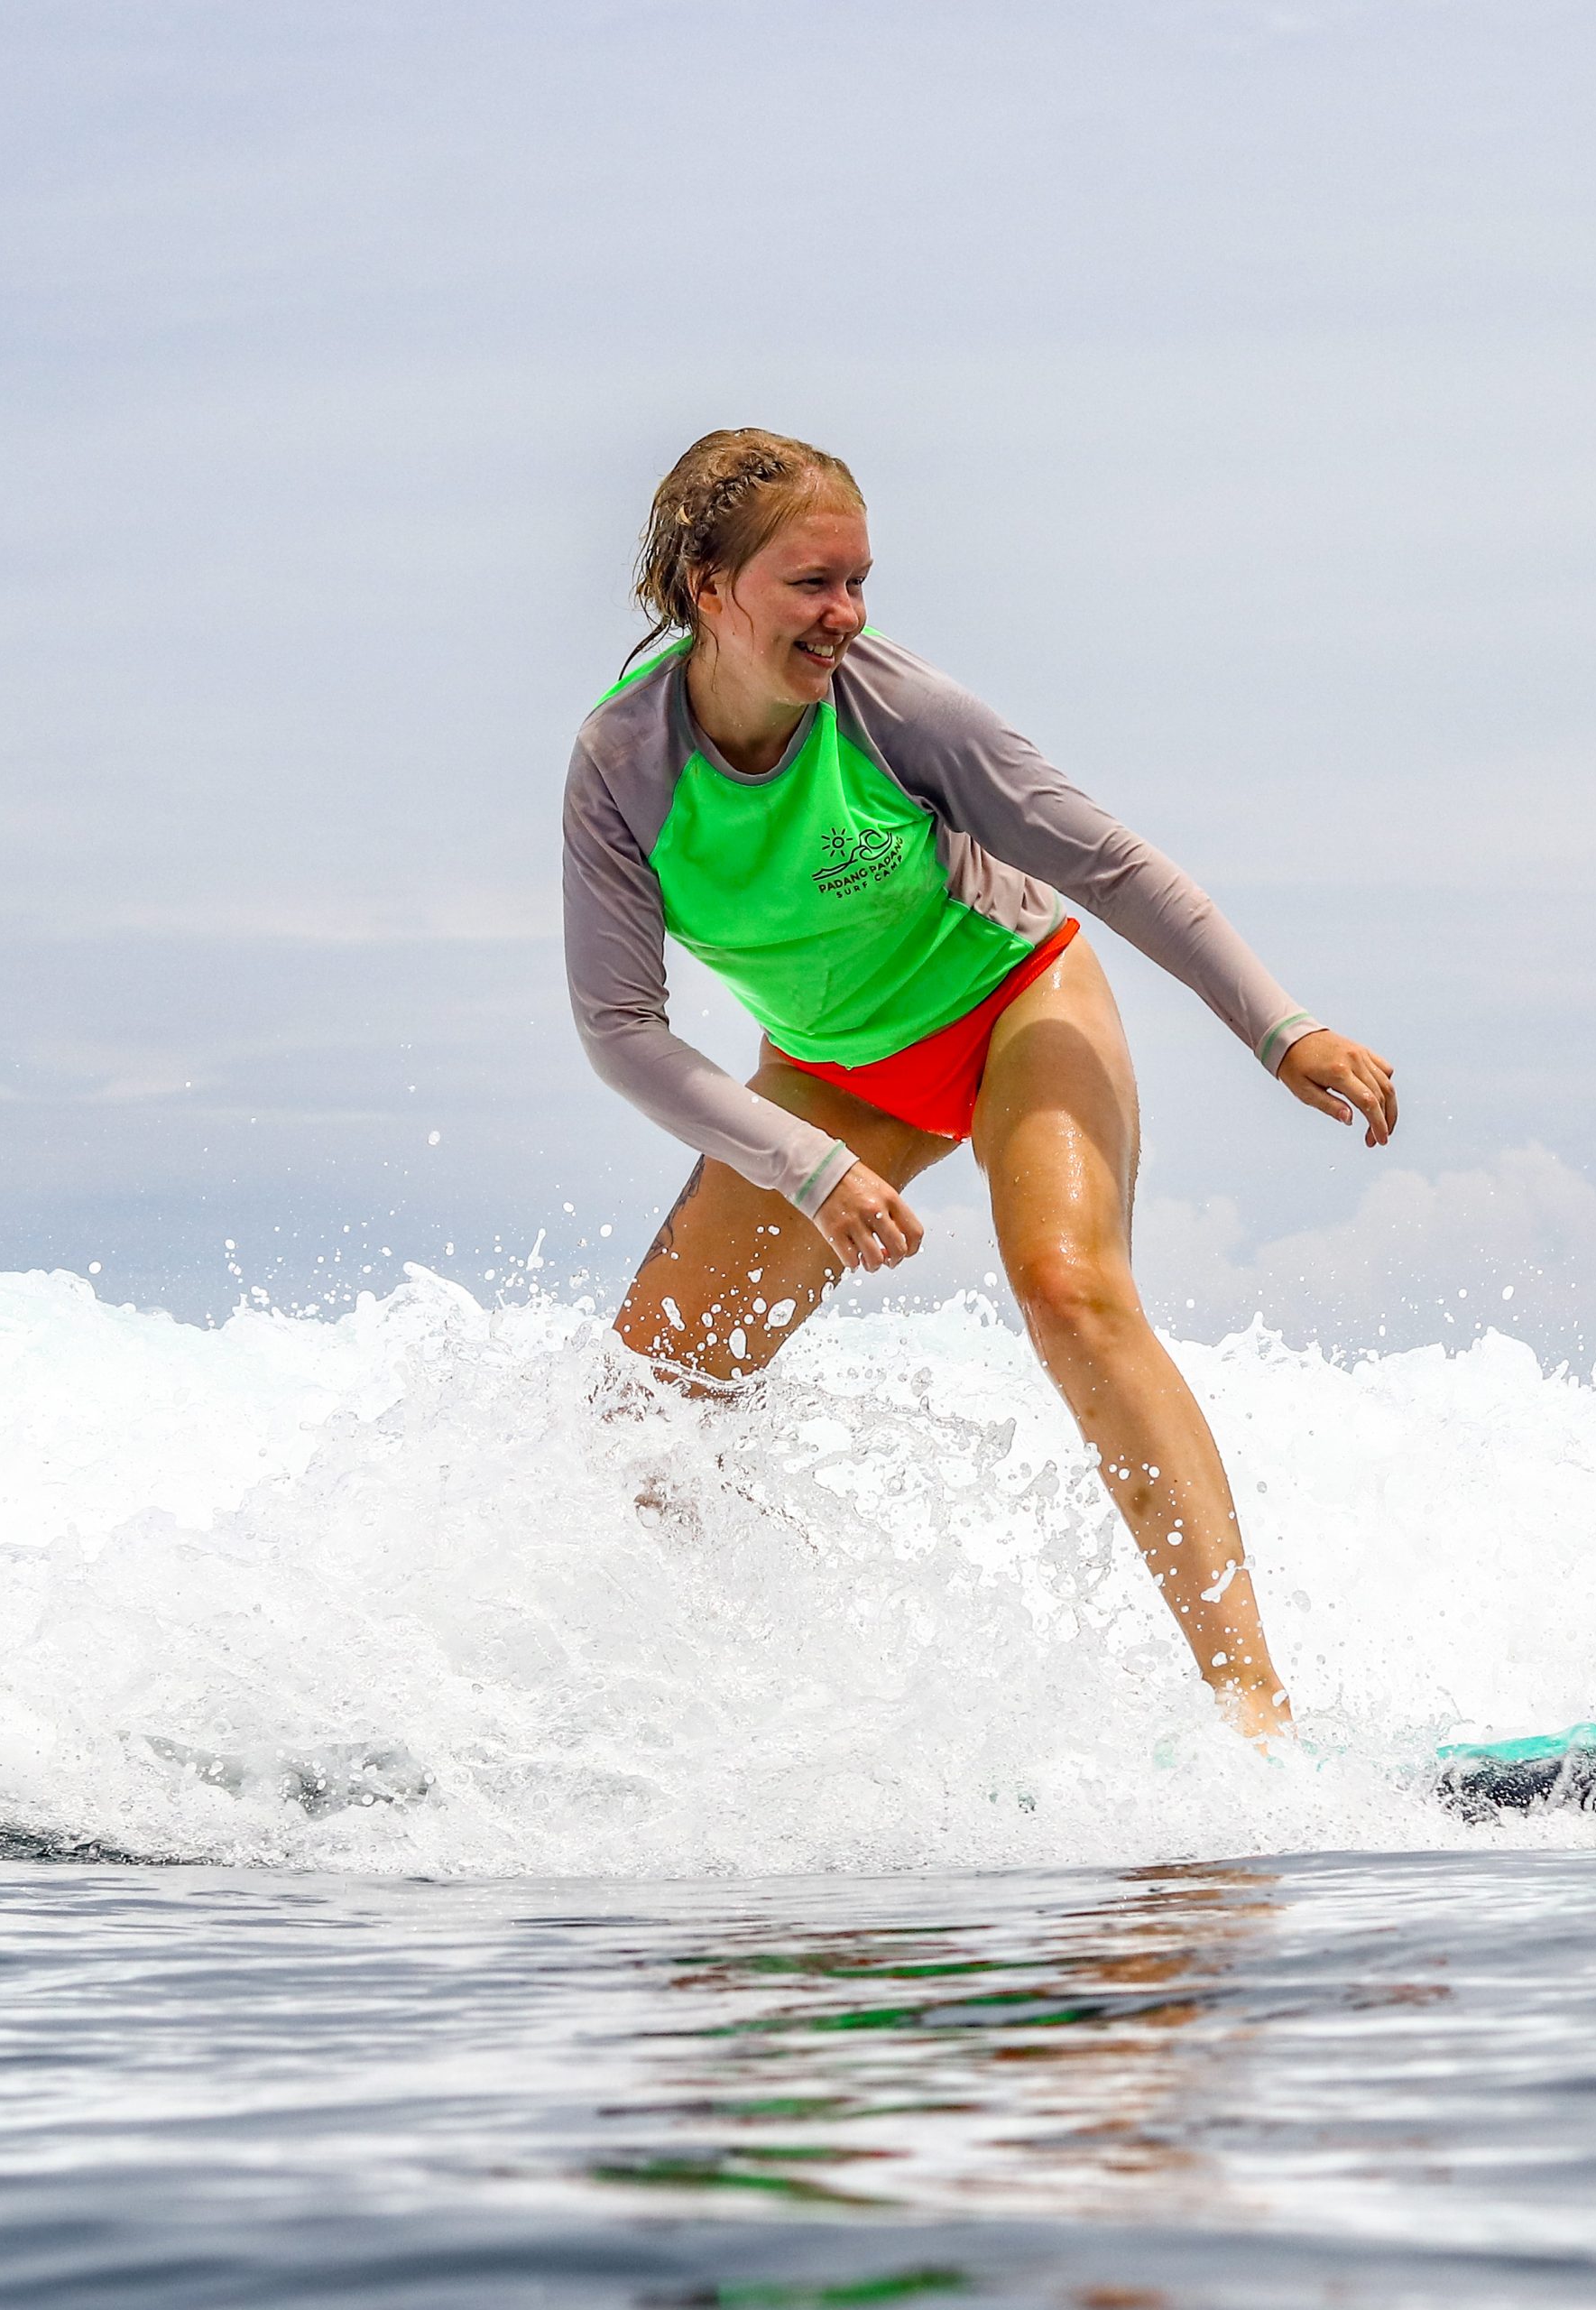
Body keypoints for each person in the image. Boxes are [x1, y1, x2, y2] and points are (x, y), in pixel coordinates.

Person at [560, 430, 1398, 1740]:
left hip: (1014, 1003)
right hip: (835, 1077)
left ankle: (1255, 1713)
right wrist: (809, 1160)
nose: (845, 615)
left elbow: (1108, 863)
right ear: (707, 588)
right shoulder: (624, 766)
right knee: (646, 1402)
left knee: (1069, 1293)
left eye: (858, 581)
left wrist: (1280, 1028)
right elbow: (620, 1029)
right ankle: (733, 1708)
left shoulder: (894, 708)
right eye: (811, 584)